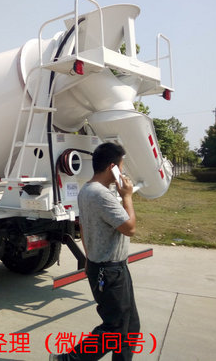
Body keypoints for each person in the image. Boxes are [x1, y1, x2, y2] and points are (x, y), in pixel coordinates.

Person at [51, 142, 140, 361]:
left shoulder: (87, 190)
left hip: (107, 266)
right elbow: (130, 228)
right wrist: (127, 196)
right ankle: (67, 360)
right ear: (113, 167)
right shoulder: (101, 195)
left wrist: (88, 257)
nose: (123, 172)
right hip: (110, 271)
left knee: (130, 326)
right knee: (115, 329)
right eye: (121, 166)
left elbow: (83, 227)